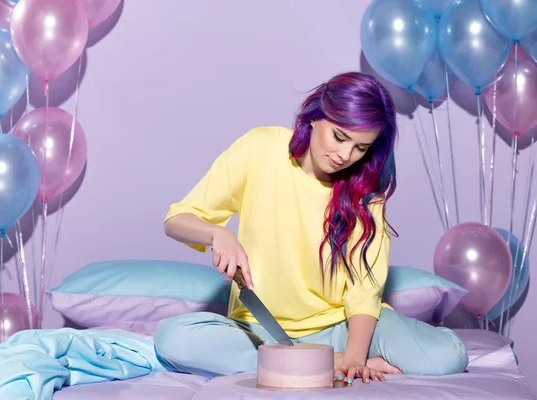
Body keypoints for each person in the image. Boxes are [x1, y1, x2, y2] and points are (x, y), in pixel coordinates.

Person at [155, 71, 468, 384]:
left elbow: (364, 293)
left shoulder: (365, 195)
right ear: (316, 116)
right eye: (340, 137)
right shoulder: (260, 148)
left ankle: (302, 360)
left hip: (340, 328)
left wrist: (354, 359)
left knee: (447, 356)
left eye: (361, 148)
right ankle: (308, 359)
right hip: (262, 329)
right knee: (173, 340)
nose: (345, 156)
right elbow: (177, 219)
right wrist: (218, 234)